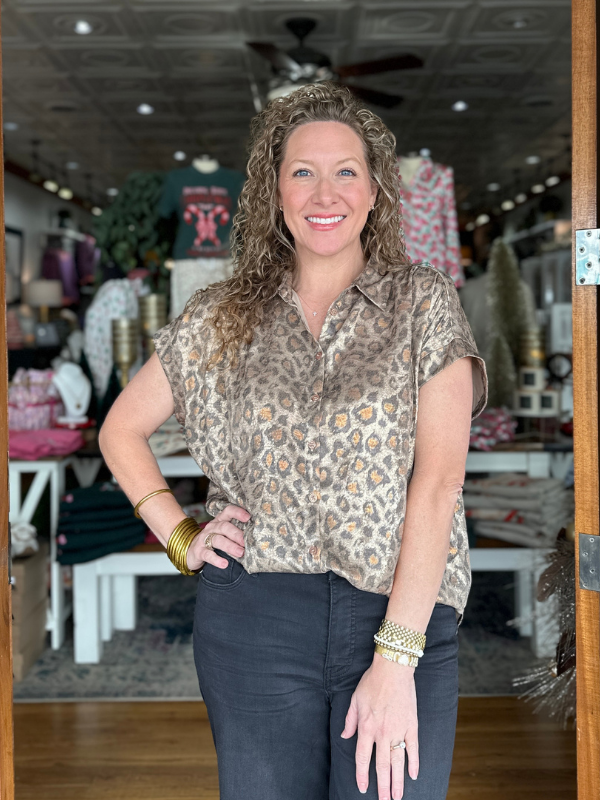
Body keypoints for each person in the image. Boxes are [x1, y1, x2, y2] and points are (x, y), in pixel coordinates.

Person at [99, 82, 487, 800]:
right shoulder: (220, 316)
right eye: (302, 171)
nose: (323, 191)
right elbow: (120, 428)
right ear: (273, 193)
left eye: (346, 171)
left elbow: (437, 486)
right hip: (256, 621)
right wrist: (179, 534)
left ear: (376, 193)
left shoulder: (423, 304)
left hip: (397, 609)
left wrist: (396, 659)